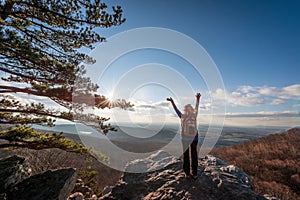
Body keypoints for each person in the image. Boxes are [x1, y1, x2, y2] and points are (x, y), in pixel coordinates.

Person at [167, 93, 201, 179]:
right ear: (191, 110)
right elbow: (197, 107)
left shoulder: (182, 116)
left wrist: (172, 102)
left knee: (186, 155)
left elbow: (176, 110)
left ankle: (187, 173)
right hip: (194, 138)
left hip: (185, 138)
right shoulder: (194, 115)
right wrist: (198, 99)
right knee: (194, 155)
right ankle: (195, 173)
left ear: (185, 110)